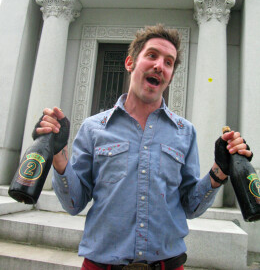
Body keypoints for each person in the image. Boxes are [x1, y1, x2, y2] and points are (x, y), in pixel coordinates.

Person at [35, 25, 253, 270]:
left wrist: (219, 172)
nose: (160, 65)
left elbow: (191, 207)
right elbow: (73, 204)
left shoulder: (185, 132)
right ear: (130, 63)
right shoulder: (93, 128)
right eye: (152, 55)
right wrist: (58, 156)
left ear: (170, 75)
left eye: (168, 62)